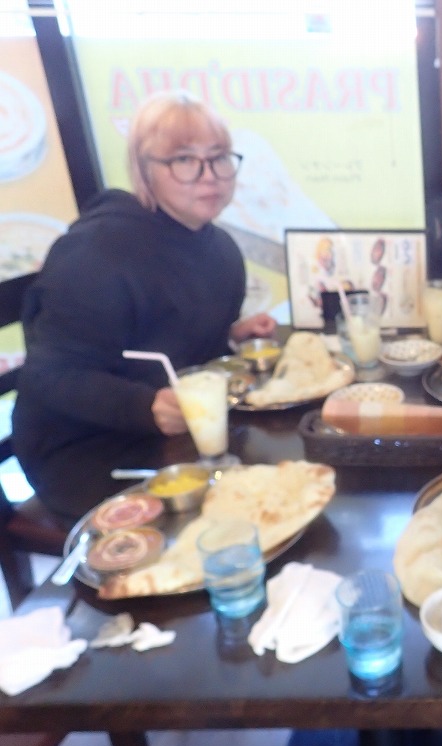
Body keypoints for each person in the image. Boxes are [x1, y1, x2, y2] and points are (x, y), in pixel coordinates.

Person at [13, 90, 275, 521]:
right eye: (184, 159)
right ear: (144, 168)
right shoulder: (95, 253)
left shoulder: (221, 249)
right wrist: (145, 407)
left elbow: (164, 343)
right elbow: (50, 377)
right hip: (86, 451)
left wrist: (228, 334)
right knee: (238, 519)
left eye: (218, 157)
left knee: (273, 482)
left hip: (178, 435)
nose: (209, 176)